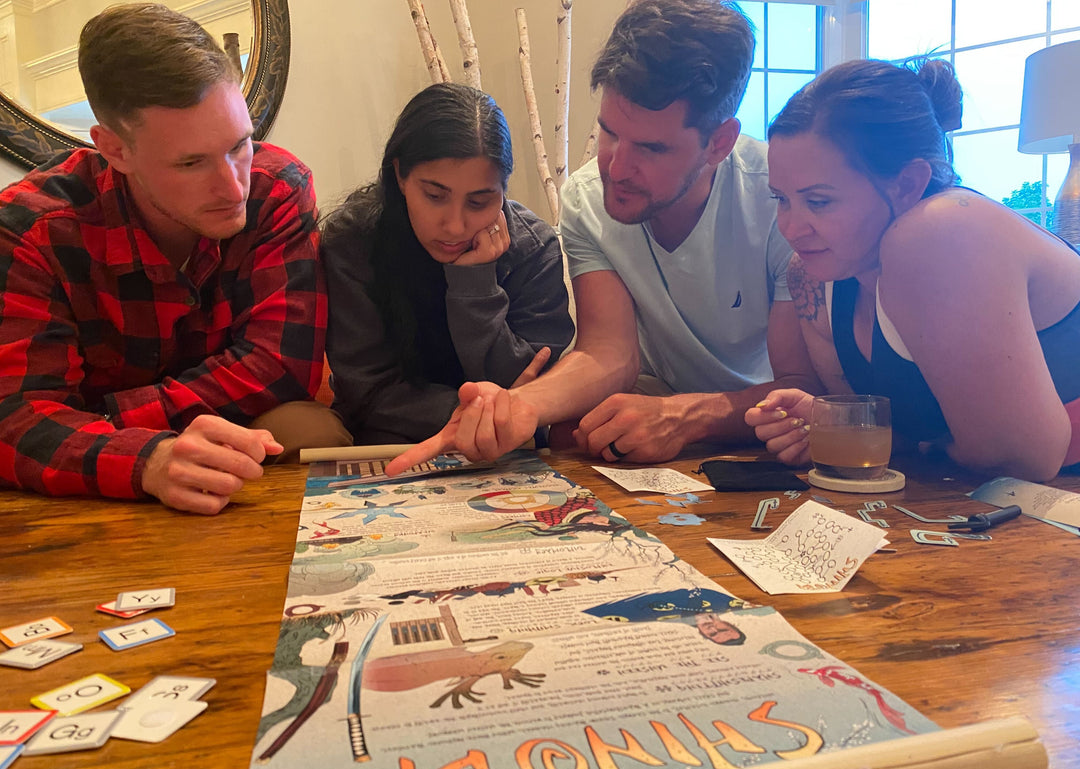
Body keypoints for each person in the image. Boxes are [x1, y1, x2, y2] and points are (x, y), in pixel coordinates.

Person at [387, 0, 817, 476]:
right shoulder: (588, 199)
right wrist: (516, 408)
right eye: (609, 132)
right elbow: (608, 352)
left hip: (764, 427)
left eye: (651, 148)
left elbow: (802, 383)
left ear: (719, 142)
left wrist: (686, 417)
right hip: (651, 406)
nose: (616, 167)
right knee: (574, 428)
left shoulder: (782, 200)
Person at [0, 3, 349, 515]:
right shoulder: (31, 231)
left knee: (307, 429)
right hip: (101, 446)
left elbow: (280, 366)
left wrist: (113, 419)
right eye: (190, 163)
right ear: (114, 149)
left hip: (197, 422)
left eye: (240, 145)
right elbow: (16, 418)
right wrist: (147, 458)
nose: (234, 187)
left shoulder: (275, 188)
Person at [746, 58, 1080, 482]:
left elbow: (1023, 458)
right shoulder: (810, 275)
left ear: (907, 185)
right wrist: (832, 423)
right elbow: (899, 438)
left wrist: (922, 444)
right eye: (781, 199)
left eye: (819, 201)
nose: (790, 228)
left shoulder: (942, 230)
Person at [321, 83, 573, 444]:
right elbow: (368, 392)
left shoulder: (534, 249)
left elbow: (530, 387)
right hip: (382, 446)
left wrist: (475, 283)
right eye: (435, 196)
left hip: (510, 449)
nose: (455, 226)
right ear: (400, 175)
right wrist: (481, 413)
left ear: (503, 191)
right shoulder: (353, 242)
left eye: (479, 202)